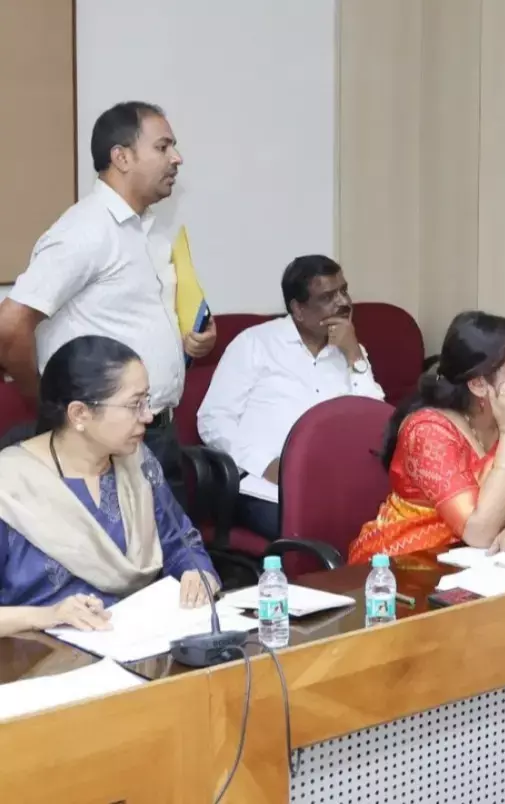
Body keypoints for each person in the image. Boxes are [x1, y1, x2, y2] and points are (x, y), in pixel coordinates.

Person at [0, 101, 217, 503]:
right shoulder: (85, 230)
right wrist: (47, 407)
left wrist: (188, 344)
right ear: (122, 157)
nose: (177, 158)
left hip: (156, 432)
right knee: (115, 545)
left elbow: (129, 322)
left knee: (168, 544)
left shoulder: (145, 231)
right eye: (163, 147)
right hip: (105, 442)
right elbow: (11, 325)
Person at [0, 335, 219, 637]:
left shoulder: (137, 464)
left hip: (138, 638)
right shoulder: (9, 485)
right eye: (134, 404)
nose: (148, 416)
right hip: (39, 651)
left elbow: (180, 543)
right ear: (80, 414)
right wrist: (48, 615)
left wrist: (198, 572)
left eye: (147, 401)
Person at [348, 311, 505, 565]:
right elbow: (480, 532)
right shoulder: (428, 431)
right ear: (478, 385)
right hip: (408, 567)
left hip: (493, 566)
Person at [197, 255, 384, 540]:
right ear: (298, 308)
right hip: (265, 486)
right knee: (316, 531)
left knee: (384, 525)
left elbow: (376, 422)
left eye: (344, 291)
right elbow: (213, 419)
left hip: (335, 485)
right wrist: (265, 465)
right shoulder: (255, 344)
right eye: (328, 297)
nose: (343, 303)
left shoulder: (349, 350)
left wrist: (354, 354)